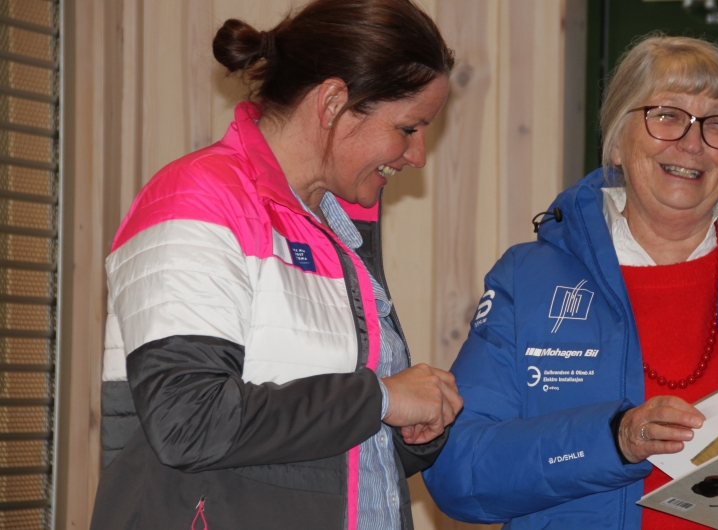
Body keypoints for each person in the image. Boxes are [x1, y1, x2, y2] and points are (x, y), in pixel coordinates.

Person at [424, 36, 718, 529]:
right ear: (618, 134)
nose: (693, 144)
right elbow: (458, 473)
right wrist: (613, 439)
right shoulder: (530, 278)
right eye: (668, 115)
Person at [90, 1, 461, 528]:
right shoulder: (199, 197)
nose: (418, 155)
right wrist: (379, 398)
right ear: (333, 102)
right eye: (409, 127)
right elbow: (189, 423)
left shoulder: (337, 230)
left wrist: (408, 433)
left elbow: (317, 455)